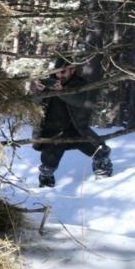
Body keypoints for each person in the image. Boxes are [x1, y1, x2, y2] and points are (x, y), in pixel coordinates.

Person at [30, 57, 113, 187]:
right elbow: (33, 105)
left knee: (100, 151)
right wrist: (38, 91)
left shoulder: (79, 83)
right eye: (57, 72)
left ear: (72, 70)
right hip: (52, 132)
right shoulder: (47, 83)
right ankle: (46, 183)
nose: (59, 75)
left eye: (63, 72)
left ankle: (103, 172)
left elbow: (78, 100)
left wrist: (61, 92)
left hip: (76, 129)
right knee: (48, 164)